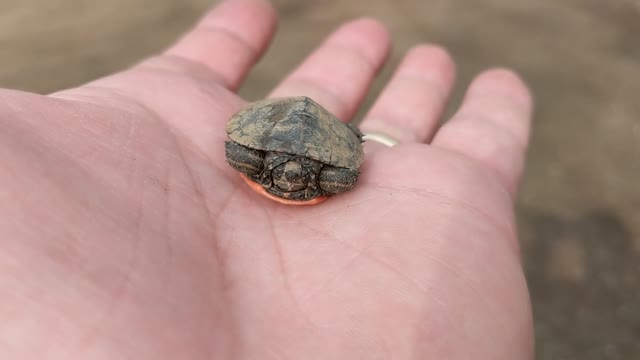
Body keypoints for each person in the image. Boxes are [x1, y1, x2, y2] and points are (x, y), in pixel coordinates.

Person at [0, 0, 534, 358]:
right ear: (271, 167)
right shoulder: (254, 155)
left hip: (321, 130)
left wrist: (337, 157)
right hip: (282, 124)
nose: (293, 179)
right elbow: (239, 143)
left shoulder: (326, 172)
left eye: (299, 176)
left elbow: (344, 170)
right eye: (286, 173)